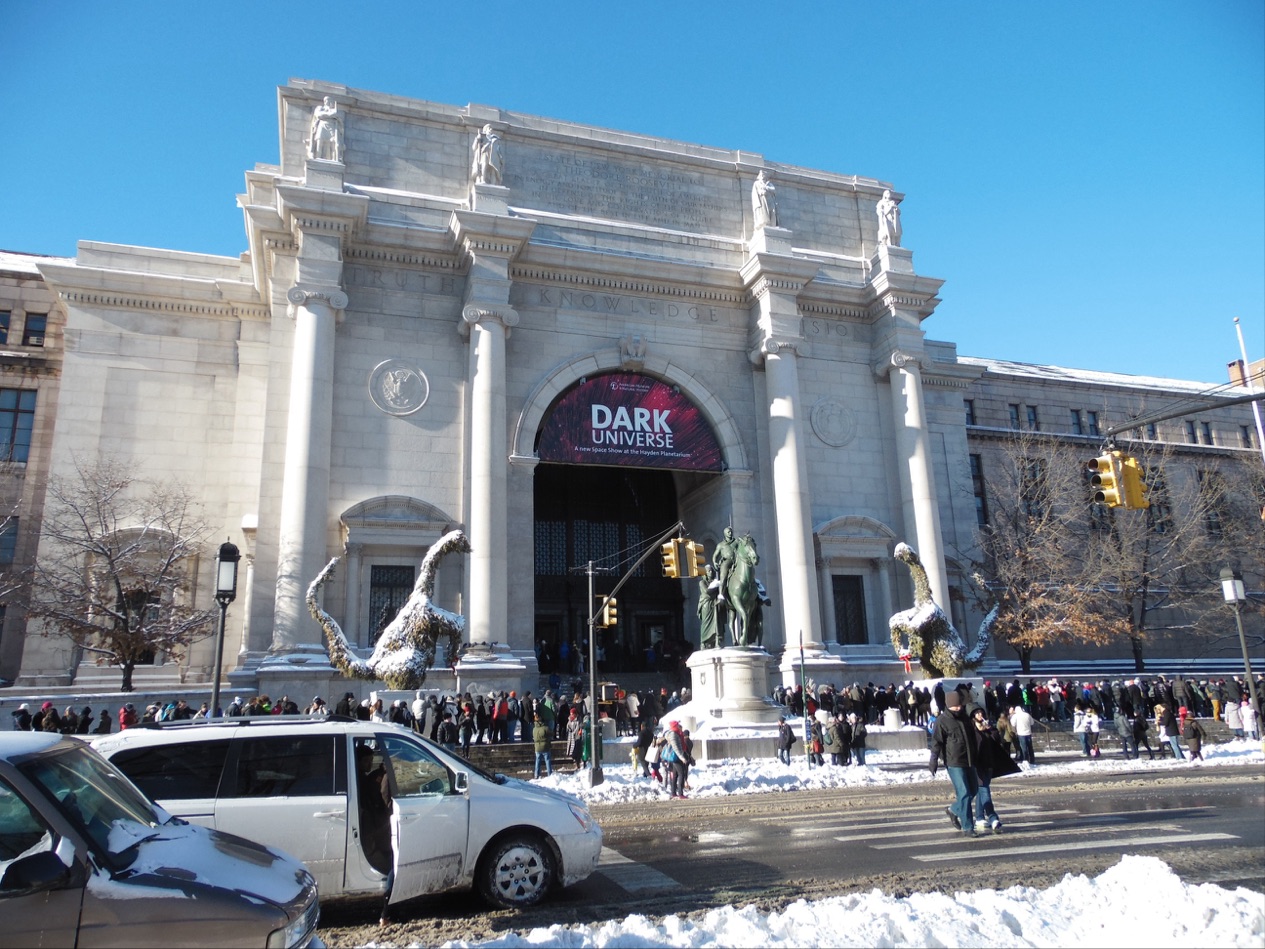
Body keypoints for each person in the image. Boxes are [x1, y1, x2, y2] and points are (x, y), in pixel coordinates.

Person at [929, 689, 980, 838]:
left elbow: (972, 738)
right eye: (955, 706)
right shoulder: (942, 721)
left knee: (973, 790)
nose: (958, 708)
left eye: (960, 705)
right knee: (964, 792)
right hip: (954, 761)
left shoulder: (965, 718)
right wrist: (933, 761)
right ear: (949, 705)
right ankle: (968, 826)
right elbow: (936, 742)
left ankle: (953, 810)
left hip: (969, 759)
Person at [353, 741, 394, 927]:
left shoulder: (364, 777)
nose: (369, 763)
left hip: (372, 829)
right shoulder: (369, 778)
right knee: (393, 866)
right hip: (372, 830)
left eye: (371, 760)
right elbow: (384, 801)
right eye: (367, 760)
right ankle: (386, 912)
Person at [971, 707, 1017, 832]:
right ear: (973, 715)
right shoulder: (971, 729)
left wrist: (990, 729)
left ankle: (979, 818)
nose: (980, 715)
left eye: (981, 713)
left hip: (989, 763)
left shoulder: (988, 727)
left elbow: (997, 740)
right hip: (977, 765)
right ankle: (993, 817)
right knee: (984, 790)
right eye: (977, 713)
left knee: (982, 791)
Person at [308, 95, 343, 162]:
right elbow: (319, 115)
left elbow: (338, 119)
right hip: (322, 125)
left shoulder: (334, 110)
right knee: (320, 140)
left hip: (332, 126)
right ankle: (318, 156)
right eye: (326, 100)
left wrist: (333, 114)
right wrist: (330, 115)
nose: (327, 102)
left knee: (333, 142)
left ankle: (334, 158)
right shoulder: (320, 108)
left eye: (329, 100)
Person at [661, 720, 689, 799]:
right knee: (681, 774)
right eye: (677, 725)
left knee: (676, 775)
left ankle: (673, 792)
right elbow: (676, 748)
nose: (678, 726)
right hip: (676, 757)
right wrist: (682, 757)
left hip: (675, 757)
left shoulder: (676, 733)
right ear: (674, 726)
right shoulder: (673, 735)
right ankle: (680, 793)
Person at [712, 526, 739, 606]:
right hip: (726, 562)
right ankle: (721, 595)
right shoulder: (721, 545)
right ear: (725, 534)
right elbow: (715, 556)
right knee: (723, 577)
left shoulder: (736, 542)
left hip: (736, 561)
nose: (730, 533)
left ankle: (759, 593)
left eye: (731, 531)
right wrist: (714, 562)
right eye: (728, 532)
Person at [697, 564, 721, 648]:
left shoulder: (715, 582)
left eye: (711, 571)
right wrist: (716, 586)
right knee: (706, 623)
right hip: (706, 605)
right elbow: (707, 592)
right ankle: (703, 642)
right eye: (708, 571)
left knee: (717, 623)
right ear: (705, 573)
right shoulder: (702, 582)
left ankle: (717, 641)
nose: (710, 572)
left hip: (715, 603)